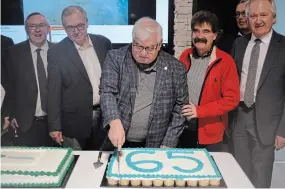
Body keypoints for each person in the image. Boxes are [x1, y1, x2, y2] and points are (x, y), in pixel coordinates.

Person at [100, 17, 188, 149]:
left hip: (156, 144)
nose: (142, 53)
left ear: (159, 45)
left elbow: (181, 107)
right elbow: (107, 92)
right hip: (119, 142)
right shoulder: (115, 58)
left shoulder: (176, 67)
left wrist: (168, 142)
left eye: (149, 48)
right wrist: (114, 121)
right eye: (137, 45)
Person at [231, 0, 285, 187]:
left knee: (261, 179)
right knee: (238, 175)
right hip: (238, 118)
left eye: (263, 15)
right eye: (253, 16)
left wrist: (282, 131)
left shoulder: (283, 46)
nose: (258, 20)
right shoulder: (239, 44)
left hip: (267, 124)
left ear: (274, 18)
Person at [47, 6, 112, 150]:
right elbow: (53, 93)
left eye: (80, 26)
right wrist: (54, 126)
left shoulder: (104, 43)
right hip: (75, 124)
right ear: (64, 28)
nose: (76, 31)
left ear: (87, 23)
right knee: (78, 165)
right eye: (70, 28)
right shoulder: (56, 53)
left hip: (105, 117)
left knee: (103, 161)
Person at [179, 11, 240, 152]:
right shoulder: (185, 55)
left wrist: (199, 111)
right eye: (196, 31)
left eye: (205, 31)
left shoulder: (225, 61)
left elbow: (232, 99)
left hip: (210, 134)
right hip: (183, 129)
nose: (200, 36)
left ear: (214, 35)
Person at [3, 12, 52, 146]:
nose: (37, 30)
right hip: (25, 124)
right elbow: (10, 87)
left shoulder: (59, 51)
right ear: (26, 29)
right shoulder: (13, 53)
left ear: (48, 28)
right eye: (32, 26)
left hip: (56, 125)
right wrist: (11, 114)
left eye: (41, 25)